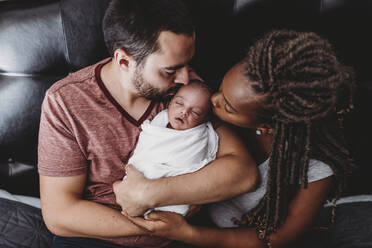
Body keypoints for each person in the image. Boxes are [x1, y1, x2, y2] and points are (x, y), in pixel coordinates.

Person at [37, 0, 258, 247]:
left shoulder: (189, 93)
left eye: (188, 63)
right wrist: (149, 227)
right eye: (170, 70)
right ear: (124, 61)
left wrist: (148, 194)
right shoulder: (66, 102)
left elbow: (244, 174)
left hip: (176, 234)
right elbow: (58, 214)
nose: (185, 78)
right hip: (98, 238)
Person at [119, 29, 357, 248]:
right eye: (221, 88)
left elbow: (277, 238)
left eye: (228, 106)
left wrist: (187, 234)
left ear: (266, 127)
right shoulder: (209, 108)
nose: (214, 100)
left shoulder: (314, 167)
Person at [127, 81, 219, 216]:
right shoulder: (159, 120)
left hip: (172, 191)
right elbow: (145, 147)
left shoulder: (199, 136)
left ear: (204, 119)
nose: (184, 111)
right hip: (141, 178)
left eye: (196, 112)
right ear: (170, 102)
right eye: (179, 103)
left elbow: (200, 162)